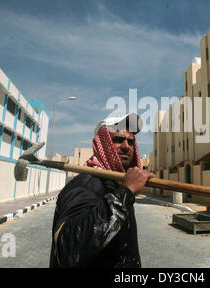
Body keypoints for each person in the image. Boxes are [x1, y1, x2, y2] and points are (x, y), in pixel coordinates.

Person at [49, 113, 155, 268]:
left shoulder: (116, 185)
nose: (126, 146)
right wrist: (126, 193)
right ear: (103, 144)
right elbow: (69, 248)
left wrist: (124, 191)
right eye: (118, 140)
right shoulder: (85, 184)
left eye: (131, 142)